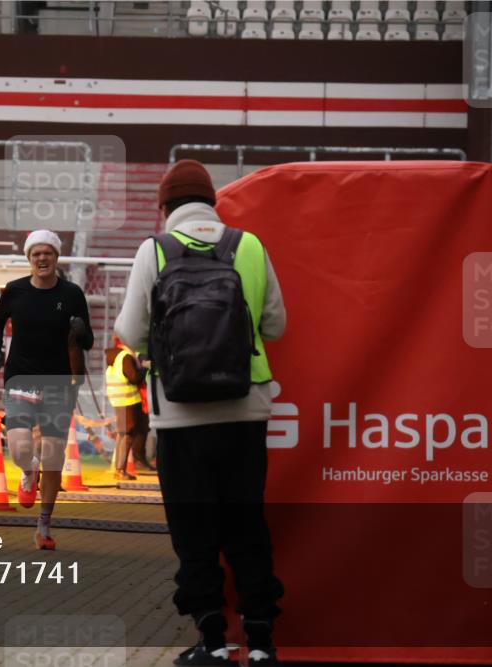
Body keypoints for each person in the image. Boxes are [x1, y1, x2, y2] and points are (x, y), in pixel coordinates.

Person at [114, 160, 286, 666]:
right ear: (212, 202)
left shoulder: (155, 250)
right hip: (245, 410)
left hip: (179, 417)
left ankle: (212, 641)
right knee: (246, 526)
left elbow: (131, 332)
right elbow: (275, 325)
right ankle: (260, 644)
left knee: (195, 535)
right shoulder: (249, 246)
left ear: (164, 207)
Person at [0, 229, 93, 550]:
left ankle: (44, 526)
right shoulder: (15, 290)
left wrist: (80, 330)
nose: (42, 259)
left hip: (59, 381)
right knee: (20, 447)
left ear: (56, 257)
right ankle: (27, 469)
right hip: (21, 377)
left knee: (53, 453)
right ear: (29, 259)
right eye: (36, 254)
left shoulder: (73, 293)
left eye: (47, 253)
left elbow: (86, 342)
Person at [104, 336, 153, 480]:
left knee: (122, 434)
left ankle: (118, 469)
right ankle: (120, 470)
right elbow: (134, 377)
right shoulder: (125, 357)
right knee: (128, 435)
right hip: (128, 400)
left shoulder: (114, 357)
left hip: (118, 400)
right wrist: (144, 367)